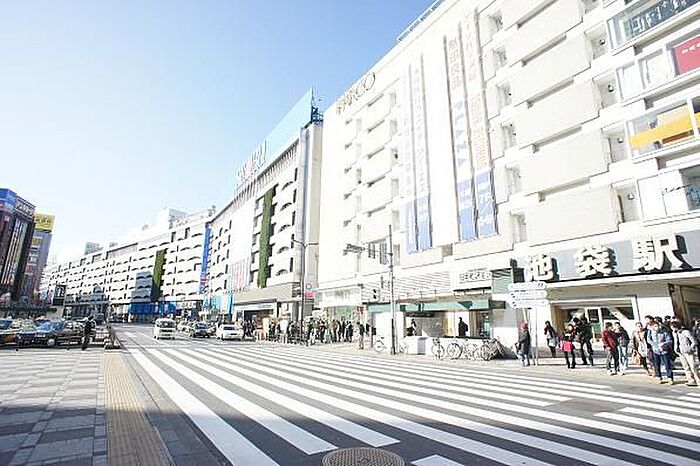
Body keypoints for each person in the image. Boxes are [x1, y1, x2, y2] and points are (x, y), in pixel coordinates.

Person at [670, 321, 699, 387]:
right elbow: (675, 342)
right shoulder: (674, 333)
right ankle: (691, 380)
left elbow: (693, 341)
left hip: (688, 351)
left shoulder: (685, 332)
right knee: (686, 367)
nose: (672, 329)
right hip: (680, 352)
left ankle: (698, 380)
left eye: (673, 327)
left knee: (693, 366)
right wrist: (676, 349)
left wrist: (690, 348)